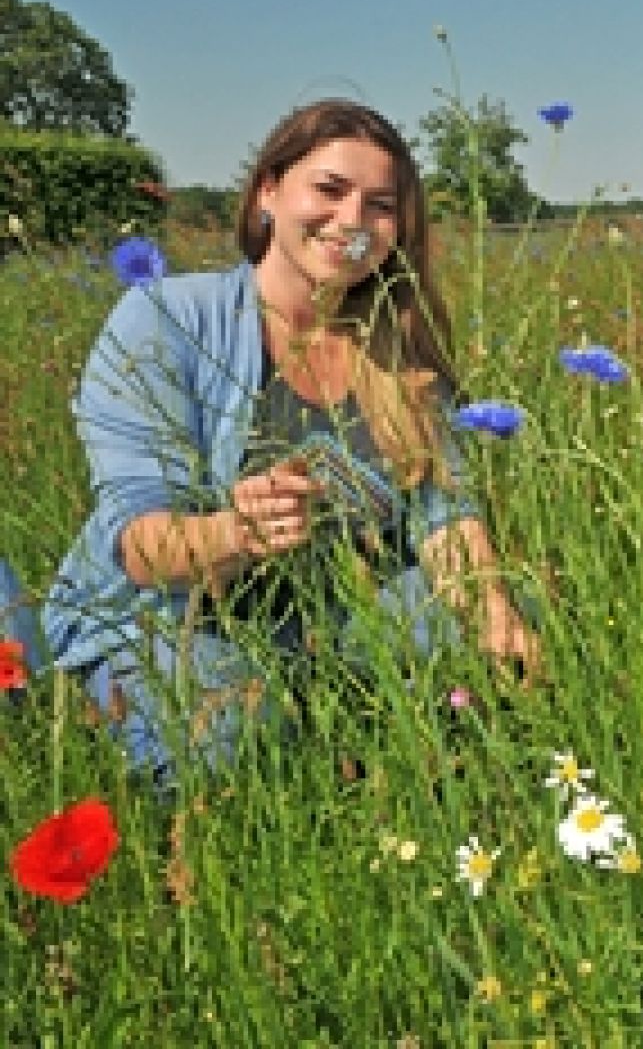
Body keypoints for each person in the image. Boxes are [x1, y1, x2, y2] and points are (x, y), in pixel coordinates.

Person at [38, 99, 537, 788]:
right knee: (234, 736)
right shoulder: (166, 321)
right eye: (329, 190)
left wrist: (495, 616)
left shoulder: (397, 346)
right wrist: (232, 533)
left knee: (512, 624)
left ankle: (400, 768)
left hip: (340, 622)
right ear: (269, 191)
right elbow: (142, 548)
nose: (353, 221)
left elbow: (445, 517)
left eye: (381, 205)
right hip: (174, 622)